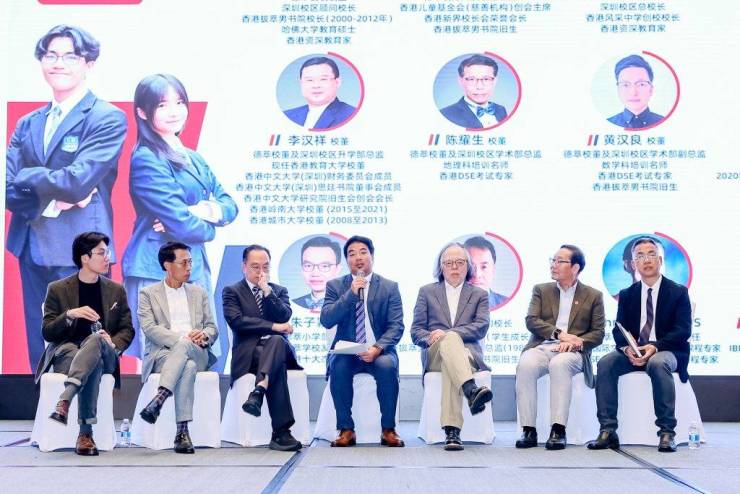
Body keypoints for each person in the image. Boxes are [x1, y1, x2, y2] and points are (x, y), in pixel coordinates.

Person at [6, 25, 127, 370]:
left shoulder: (106, 118)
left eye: (70, 56)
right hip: (31, 242)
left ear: (89, 63)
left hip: (80, 249)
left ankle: (82, 405)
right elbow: (8, 186)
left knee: (83, 344)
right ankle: (42, 403)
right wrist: (49, 200)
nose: (59, 63)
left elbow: (77, 181)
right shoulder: (27, 123)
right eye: (51, 55)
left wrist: (30, 177)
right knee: (39, 341)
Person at [122, 74, 238, 367]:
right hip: (156, 267)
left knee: (199, 354)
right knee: (161, 358)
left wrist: (197, 210)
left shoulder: (193, 157)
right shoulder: (146, 158)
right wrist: (205, 225)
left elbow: (229, 206)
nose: (174, 111)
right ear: (143, 112)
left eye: (179, 102)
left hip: (194, 265)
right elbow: (182, 224)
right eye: (162, 105)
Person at [589, 237, 691, 453]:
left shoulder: (678, 292)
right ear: (634, 263)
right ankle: (607, 430)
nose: (647, 259)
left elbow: (683, 331)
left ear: (660, 260)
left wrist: (655, 346)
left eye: (651, 254)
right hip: (635, 351)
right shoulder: (628, 294)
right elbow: (619, 329)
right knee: (606, 363)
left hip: (668, 350)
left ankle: (666, 432)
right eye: (640, 256)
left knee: (657, 363)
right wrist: (628, 349)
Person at [37, 232, 134, 455]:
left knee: (96, 340)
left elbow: (127, 329)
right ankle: (85, 434)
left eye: (107, 252)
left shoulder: (116, 290)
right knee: (93, 363)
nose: (108, 258)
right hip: (68, 353)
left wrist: (113, 342)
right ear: (85, 258)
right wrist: (70, 314)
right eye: (102, 253)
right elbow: (48, 332)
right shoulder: (58, 288)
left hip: (105, 352)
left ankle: (65, 399)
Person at [515, 245, 605, 450]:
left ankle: (558, 429)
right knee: (526, 364)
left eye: (560, 261)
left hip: (573, 352)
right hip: (543, 346)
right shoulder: (541, 290)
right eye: (553, 260)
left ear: (575, 268)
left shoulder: (593, 295)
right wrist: (559, 334)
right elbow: (532, 320)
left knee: (559, 364)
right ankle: (528, 429)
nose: (554, 265)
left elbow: (598, 333)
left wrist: (576, 342)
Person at [319, 236, 405, 447]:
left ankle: (388, 429)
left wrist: (377, 348)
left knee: (387, 366)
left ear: (372, 256)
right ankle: (346, 429)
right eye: (352, 254)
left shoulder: (389, 287)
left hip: (379, 350)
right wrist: (350, 293)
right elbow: (327, 319)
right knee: (339, 366)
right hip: (348, 351)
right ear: (347, 260)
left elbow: (396, 326)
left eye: (363, 252)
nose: (358, 257)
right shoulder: (335, 286)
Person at [137, 242, 218, 454]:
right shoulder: (148, 294)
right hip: (163, 354)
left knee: (189, 355)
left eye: (190, 262)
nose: (189, 267)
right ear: (167, 265)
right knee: (187, 366)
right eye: (184, 263)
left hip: (198, 352)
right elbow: (149, 328)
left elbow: (212, 327)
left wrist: (204, 335)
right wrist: (183, 339)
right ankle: (182, 433)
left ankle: (160, 398)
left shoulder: (199, 292)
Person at [410, 243, 492, 451]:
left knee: (451, 358)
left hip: (468, 356)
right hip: (435, 353)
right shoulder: (427, 292)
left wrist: (448, 334)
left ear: (468, 266)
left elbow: (481, 327)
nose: (454, 267)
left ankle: (452, 431)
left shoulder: (480, 294)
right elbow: (416, 331)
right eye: (449, 263)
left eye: (460, 262)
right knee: (449, 347)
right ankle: (470, 390)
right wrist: (431, 337)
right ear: (441, 267)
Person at [222, 245, 303, 451]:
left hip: (280, 350)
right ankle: (281, 432)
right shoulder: (232, 291)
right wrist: (274, 327)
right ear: (244, 266)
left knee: (276, 342)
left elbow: (285, 315)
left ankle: (259, 392)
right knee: (275, 351)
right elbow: (238, 322)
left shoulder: (278, 291)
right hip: (249, 354)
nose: (261, 272)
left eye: (265, 267)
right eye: (255, 267)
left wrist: (267, 292)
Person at [283, 57, 356, 130]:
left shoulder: (352, 116)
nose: (316, 85)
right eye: (309, 80)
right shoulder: (287, 116)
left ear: (337, 82)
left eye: (323, 79)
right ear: (301, 83)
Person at [440, 54, 507, 129]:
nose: (479, 87)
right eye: (471, 79)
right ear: (461, 81)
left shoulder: (501, 110)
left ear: (495, 81)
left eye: (486, 79)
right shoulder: (446, 114)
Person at [607, 54, 664, 129]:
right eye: (625, 85)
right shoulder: (607, 124)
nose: (633, 93)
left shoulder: (665, 123)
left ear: (651, 89)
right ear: (618, 89)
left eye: (641, 84)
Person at [293, 236, 342, 310]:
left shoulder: (351, 304)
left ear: (337, 269)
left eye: (324, 266)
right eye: (308, 265)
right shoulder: (292, 304)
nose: (315, 273)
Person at [464, 236, 509, 310]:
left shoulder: (508, 304)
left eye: (484, 267)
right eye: (470, 266)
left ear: (493, 270)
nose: (477, 274)